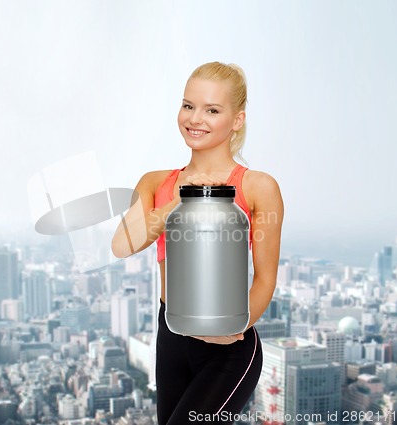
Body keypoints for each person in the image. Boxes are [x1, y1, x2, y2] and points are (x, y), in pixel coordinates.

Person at [111, 61, 284, 424]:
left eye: (212, 110)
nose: (196, 118)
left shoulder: (258, 187)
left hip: (228, 348)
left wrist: (230, 327)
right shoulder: (155, 182)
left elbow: (265, 278)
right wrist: (182, 199)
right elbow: (122, 245)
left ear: (237, 119)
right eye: (188, 105)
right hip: (171, 336)